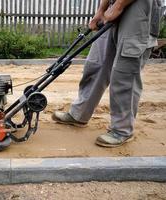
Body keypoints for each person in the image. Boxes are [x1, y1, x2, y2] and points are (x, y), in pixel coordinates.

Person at [52, 0, 161, 147]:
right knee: (96, 63)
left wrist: (118, 5)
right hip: (114, 4)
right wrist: (101, 10)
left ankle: (122, 130)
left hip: (139, 7)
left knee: (125, 72)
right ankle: (79, 114)